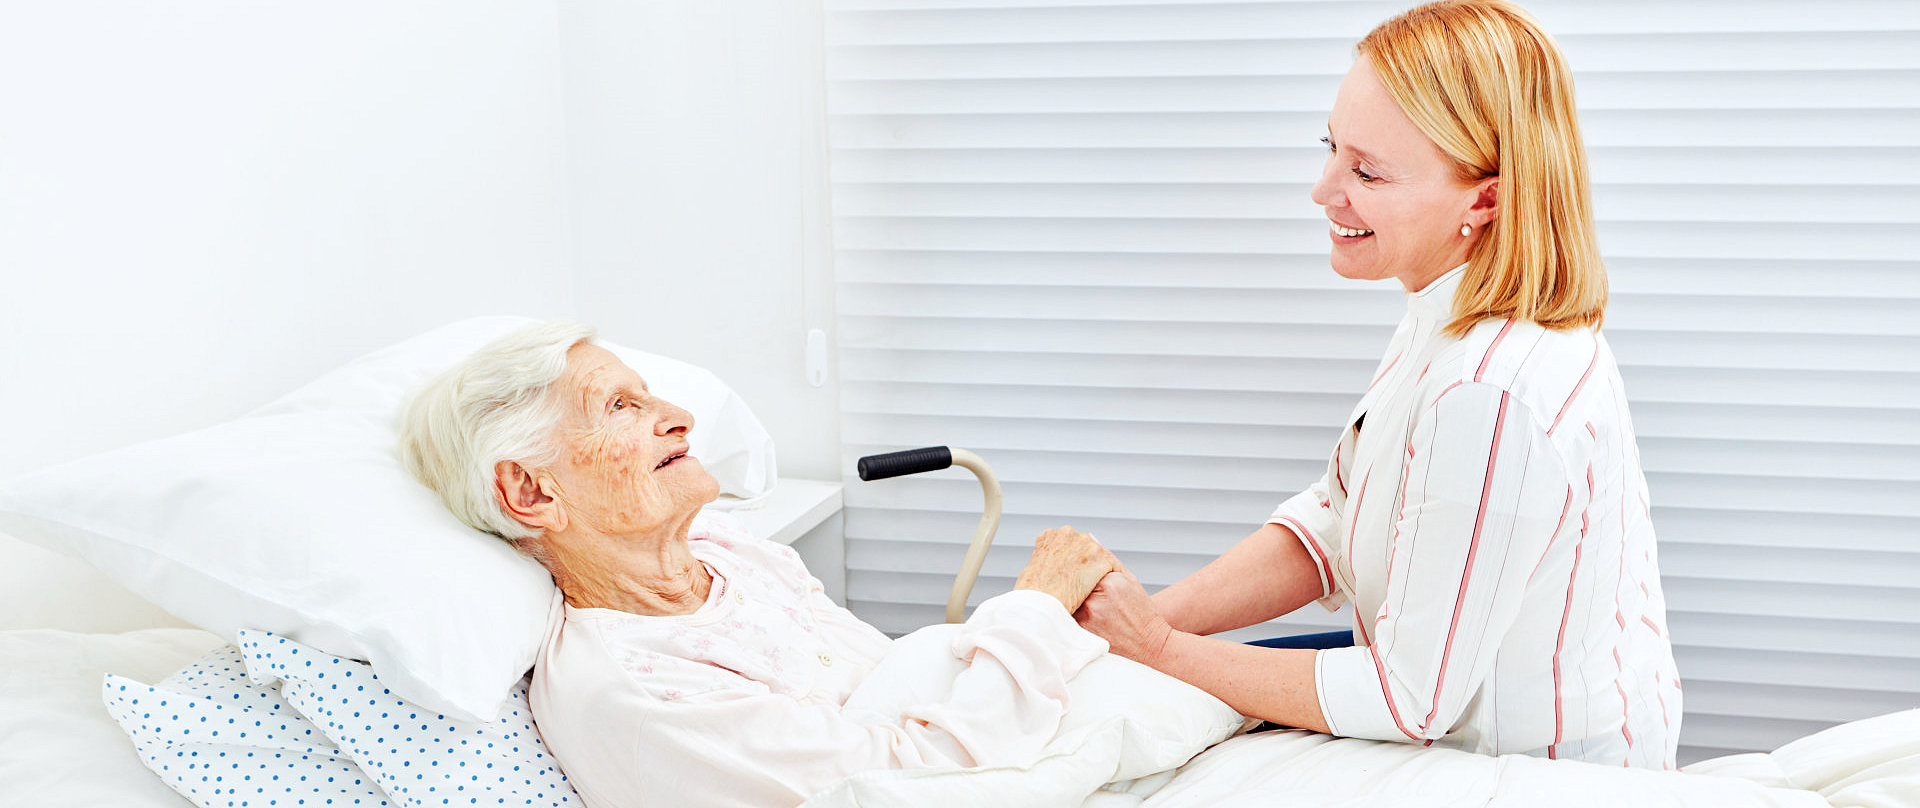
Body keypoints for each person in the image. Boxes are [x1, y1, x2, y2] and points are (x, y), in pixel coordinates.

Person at [1071, 0, 1683, 769]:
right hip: (1445, 723)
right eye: (1332, 147)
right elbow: (1340, 514)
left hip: (1529, 774)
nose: (1324, 189)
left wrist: (1157, 648)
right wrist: (1153, 621)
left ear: (1485, 199)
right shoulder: (1444, 311)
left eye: (1366, 170)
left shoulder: (1492, 393)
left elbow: (1407, 698)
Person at [398, 321, 1120, 808]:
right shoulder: (642, 693)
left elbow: (885, 692)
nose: (678, 414)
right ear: (531, 491)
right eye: (619, 405)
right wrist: (1035, 610)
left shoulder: (722, 551)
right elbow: (925, 787)